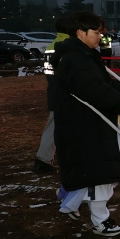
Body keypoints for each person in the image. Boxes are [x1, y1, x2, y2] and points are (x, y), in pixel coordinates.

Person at [52, 10, 120, 236]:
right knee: (101, 172)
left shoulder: (82, 55)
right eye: (96, 32)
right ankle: (100, 220)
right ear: (80, 32)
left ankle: (71, 201)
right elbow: (94, 91)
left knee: (104, 167)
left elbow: (97, 83)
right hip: (86, 126)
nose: (100, 37)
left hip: (89, 123)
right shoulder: (76, 59)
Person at [33, 17, 70, 173]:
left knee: (54, 126)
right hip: (65, 94)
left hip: (54, 91)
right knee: (56, 128)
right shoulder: (66, 47)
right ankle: (44, 160)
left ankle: (44, 159)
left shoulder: (52, 46)